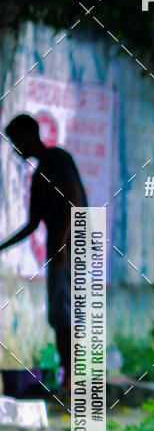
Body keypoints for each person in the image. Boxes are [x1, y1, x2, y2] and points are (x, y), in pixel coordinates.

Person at [1, 114, 88, 394]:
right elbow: (32, 225)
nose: (17, 149)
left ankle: (73, 380)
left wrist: (62, 243)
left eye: (17, 142)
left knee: (70, 313)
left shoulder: (56, 159)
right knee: (60, 316)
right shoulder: (38, 176)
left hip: (73, 246)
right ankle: (67, 378)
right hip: (59, 249)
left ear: (29, 135)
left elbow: (73, 196)